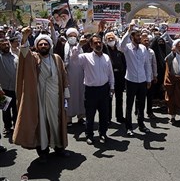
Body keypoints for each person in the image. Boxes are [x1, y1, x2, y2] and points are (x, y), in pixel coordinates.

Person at [13, 27, 70, 162]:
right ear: (37, 46)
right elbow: (25, 54)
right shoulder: (34, 58)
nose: (43, 46)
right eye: (40, 44)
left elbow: (64, 76)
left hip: (55, 97)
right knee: (42, 124)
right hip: (39, 98)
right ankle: (43, 151)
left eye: (45, 44)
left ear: (49, 45)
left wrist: (66, 94)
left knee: (56, 122)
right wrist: (25, 38)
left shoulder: (56, 58)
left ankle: (59, 148)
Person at [71, 34, 114, 144]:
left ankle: (103, 133)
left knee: (104, 114)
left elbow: (110, 73)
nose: (98, 44)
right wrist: (79, 45)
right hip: (91, 91)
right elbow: (74, 58)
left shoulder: (106, 57)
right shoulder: (85, 57)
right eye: (95, 43)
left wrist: (112, 87)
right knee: (90, 114)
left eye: (99, 42)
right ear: (90, 45)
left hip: (104, 89)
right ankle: (89, 135)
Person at [120, 25, 152, 135]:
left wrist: (148, 79)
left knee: (141, 104)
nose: (140, 38)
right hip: (131, 80)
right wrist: (128, 32)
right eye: (137, 36)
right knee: (129, 105)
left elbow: (147, 65)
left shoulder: (143, 48)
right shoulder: (127, 48)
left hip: (142, 81)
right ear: (132, 36)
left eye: (140, 36)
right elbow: (120, 45)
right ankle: (129, 127)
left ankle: (141, 124)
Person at [103, 32, 126, 124]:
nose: (110, 40)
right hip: (108, 77)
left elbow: (124, 63)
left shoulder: (120, 50)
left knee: (119, 97)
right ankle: (108, 118)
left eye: (112, 38)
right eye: (108, 38)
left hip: (119, 76)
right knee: (108, 98)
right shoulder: (104, 50)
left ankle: (119, 117)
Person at [0, 37, 18, 136]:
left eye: (7, 44)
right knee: (5, 110)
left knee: (16, 109)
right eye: (3, 45)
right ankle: (7, 127)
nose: (6, 46)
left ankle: (16, 126)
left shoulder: (15, 57)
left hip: (15, 89)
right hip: (3, 89)